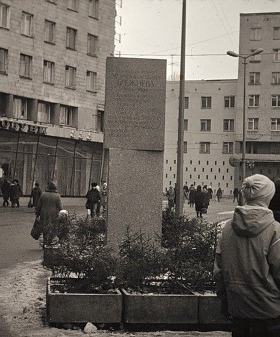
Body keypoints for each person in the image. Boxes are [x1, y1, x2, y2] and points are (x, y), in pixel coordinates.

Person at [214, 174, 280, 337]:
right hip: (269, 312)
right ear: (269, 196)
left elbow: (219, 271)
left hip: (238, 310)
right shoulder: (274, 230)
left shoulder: (228, 228)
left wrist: (225, 301)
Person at [36, 182, 63, 246]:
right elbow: (60, 207)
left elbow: (39, 205)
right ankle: (50, 242)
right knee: (53, 228)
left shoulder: (43, 194)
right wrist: (62, 214)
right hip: (53, 214)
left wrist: (37, 213)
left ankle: (45, 242)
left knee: (45, 228)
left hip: (43, 214)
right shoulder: (57, 196)